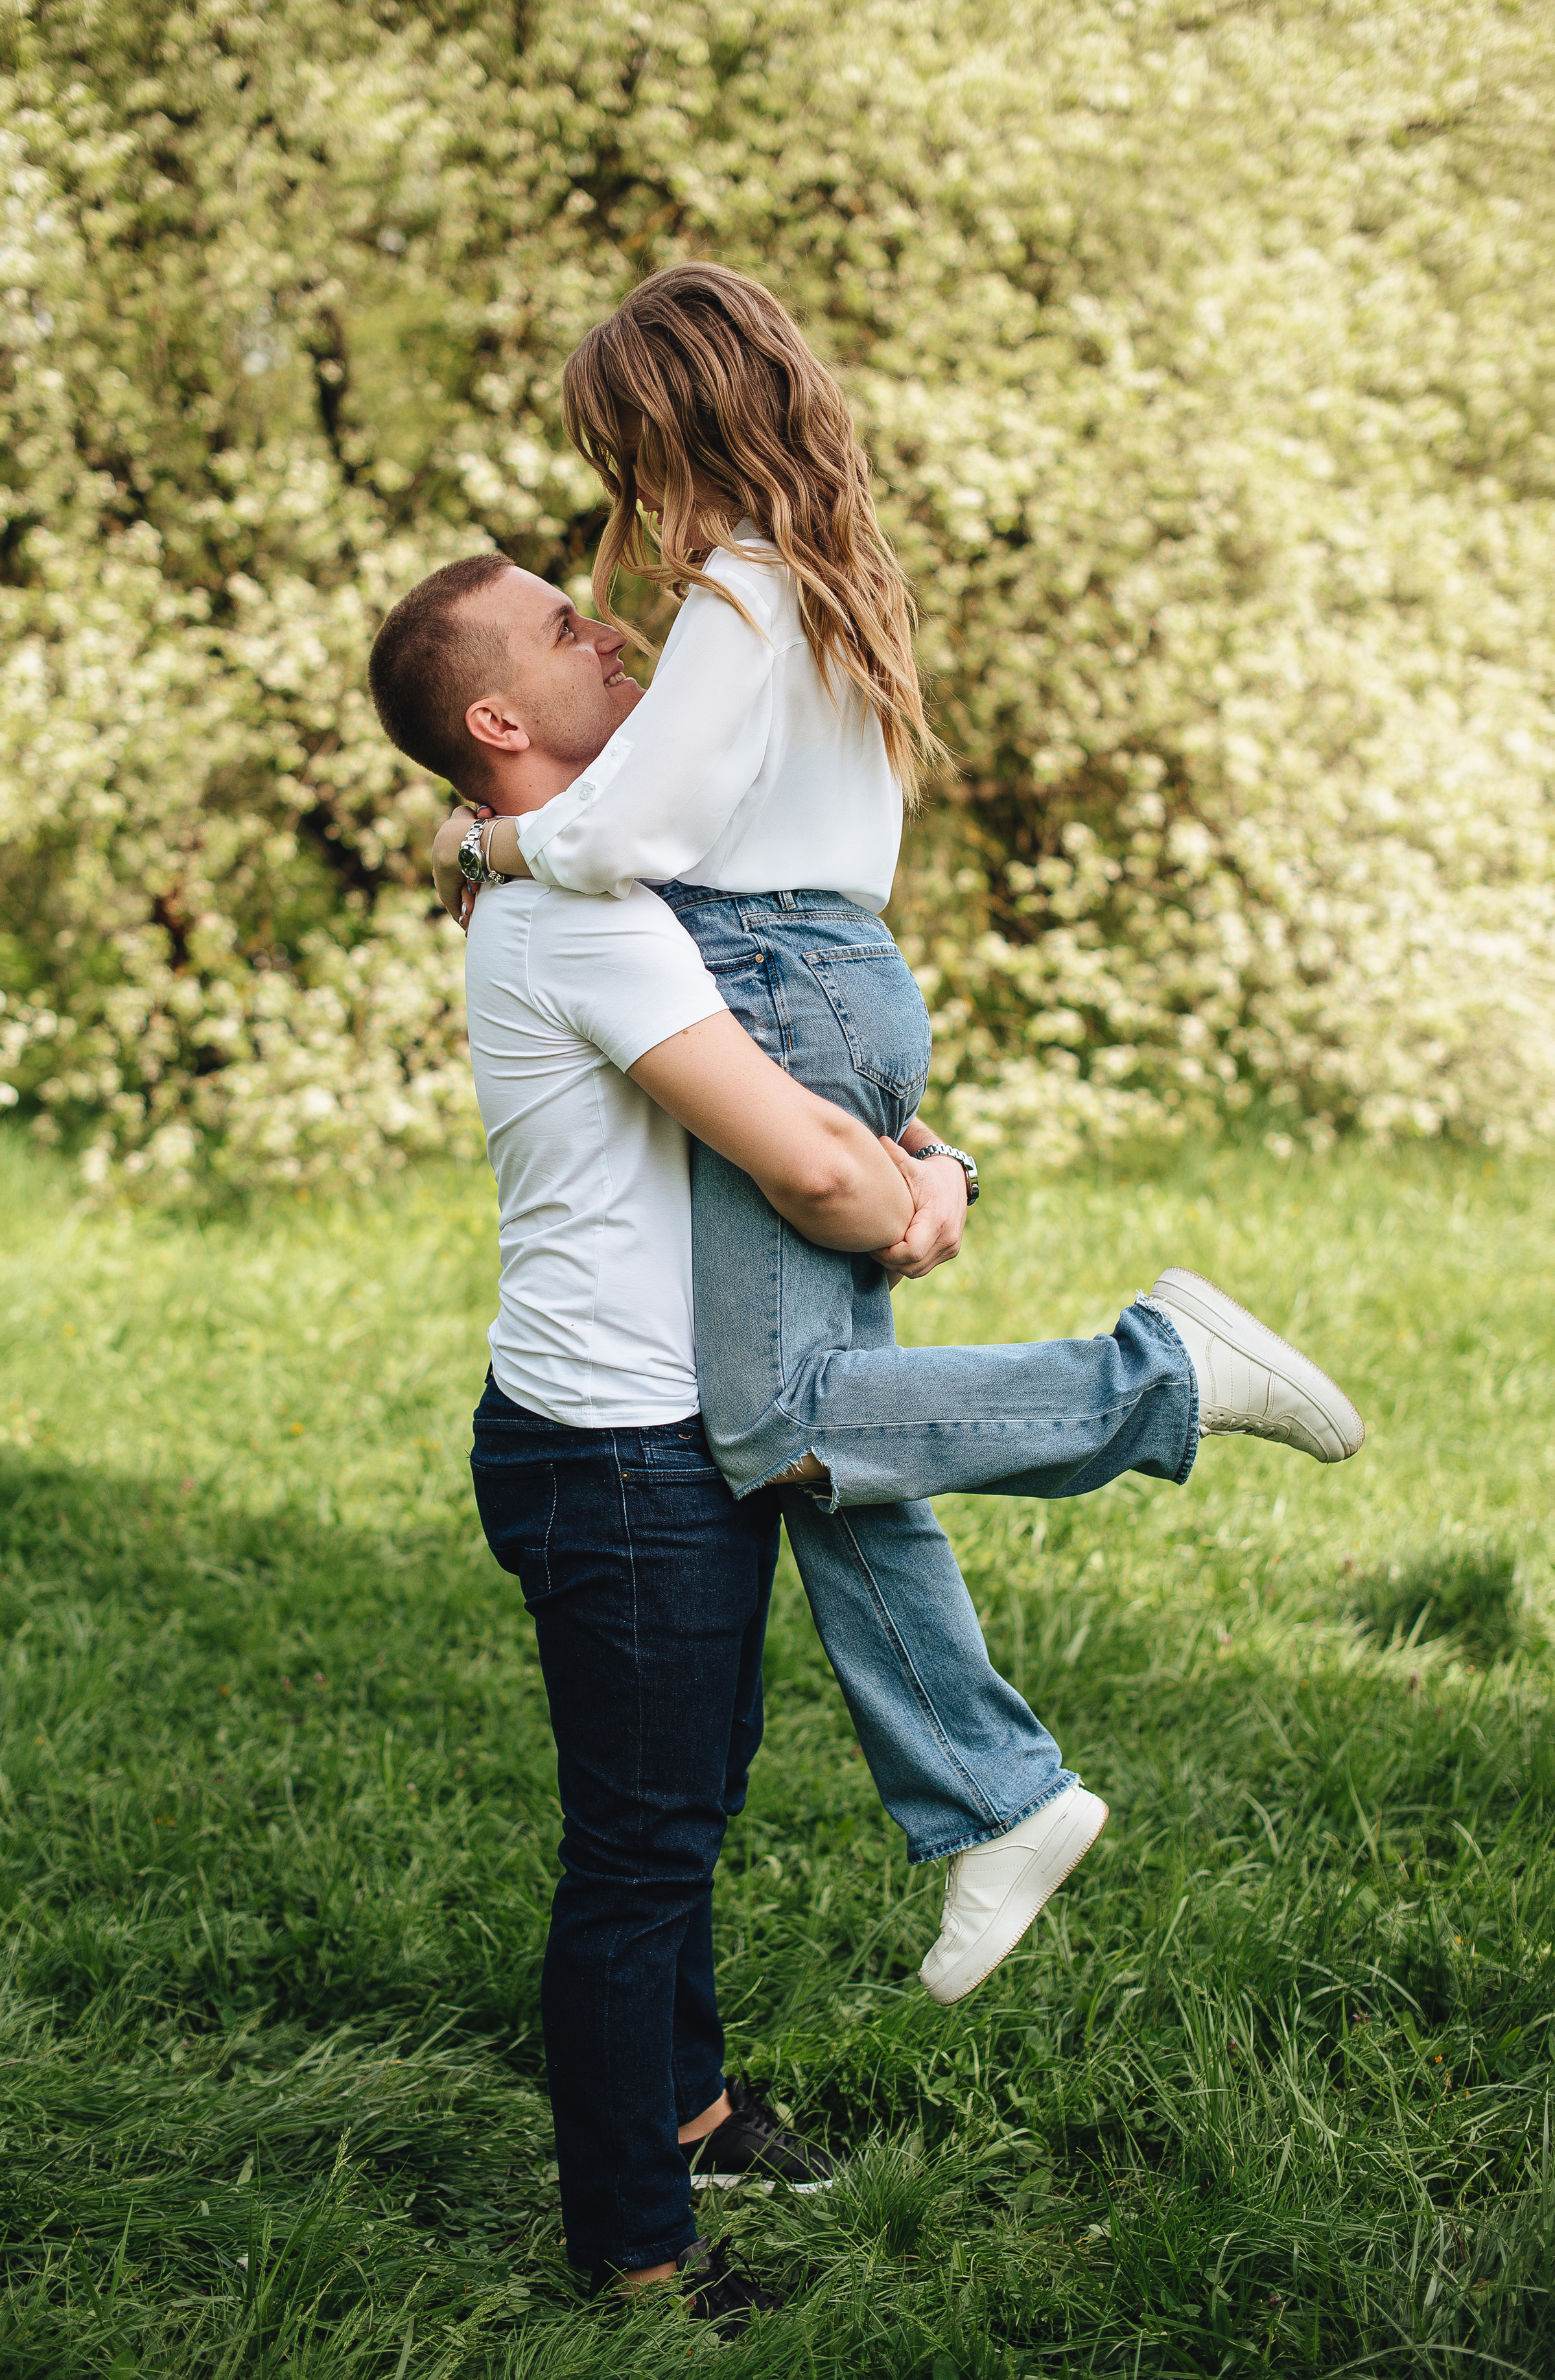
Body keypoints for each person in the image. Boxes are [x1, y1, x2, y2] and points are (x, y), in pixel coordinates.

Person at [366, 554, 1363, 2315]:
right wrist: (900, 1189)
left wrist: (938, 1162)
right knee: (638, 1855)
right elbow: (812, 1161)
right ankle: (639, 2265)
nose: (609, 628)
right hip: (622, 1458)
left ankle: (690, 2112)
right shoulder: (583, 918)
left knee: (680, 1806)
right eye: (560, 629)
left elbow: (803, 1064)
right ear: (499, 721)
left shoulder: (598, 882)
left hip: (647, 1437)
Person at [429, 264, 1362, 1985]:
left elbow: (639, 826)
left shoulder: (740, 593)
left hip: (771, 966)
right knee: (836, 1457)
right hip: (829, 963)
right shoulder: (827, 582)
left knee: (782, 1422)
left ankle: (1159, 1374)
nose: (619, 521)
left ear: (664, 430)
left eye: (617, 455)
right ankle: (997, 1792)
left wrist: (490, 850)